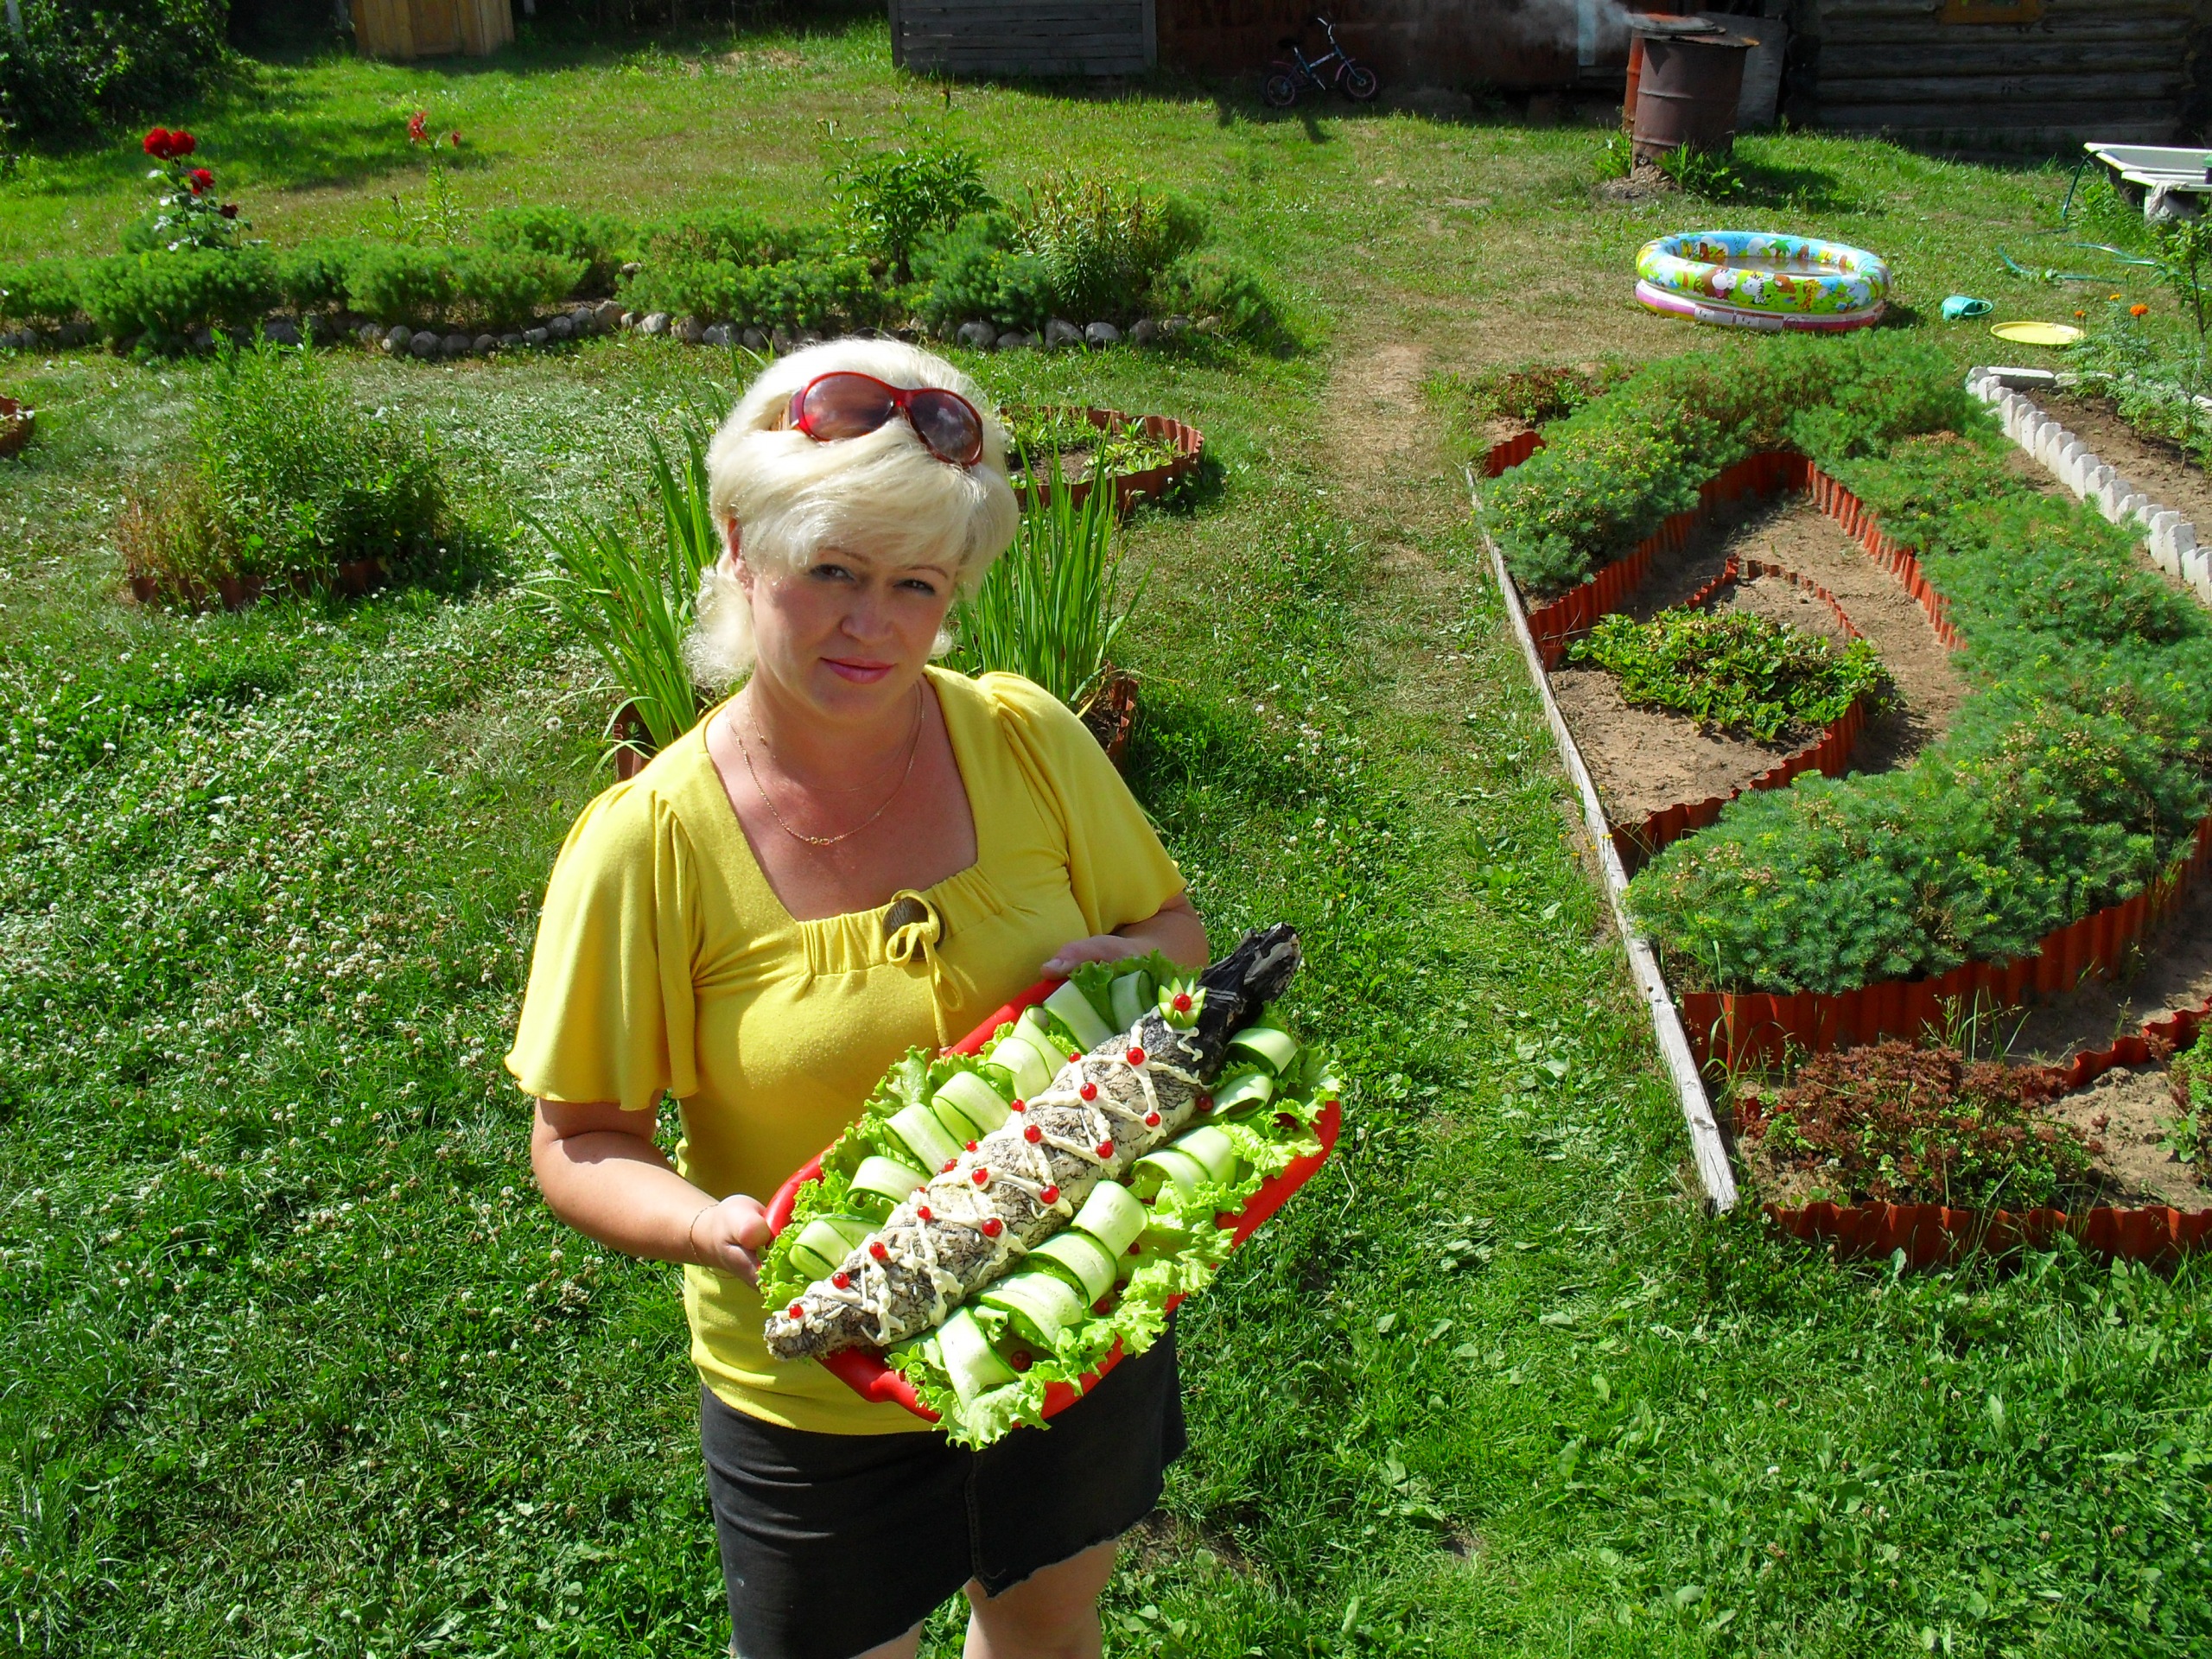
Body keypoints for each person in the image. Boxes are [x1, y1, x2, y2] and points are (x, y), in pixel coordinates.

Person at [507, 339, 1208, 1659]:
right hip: (820, 1398)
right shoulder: (649, 844)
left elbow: (1170, 929)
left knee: (1050, 1630)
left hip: (1072, 1321)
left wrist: (1142, 972)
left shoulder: (1026, 740)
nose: (870, 624)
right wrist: (705, 1225)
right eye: (831, 571)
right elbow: (580, 1136)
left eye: (914, 585)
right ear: (739, 544)